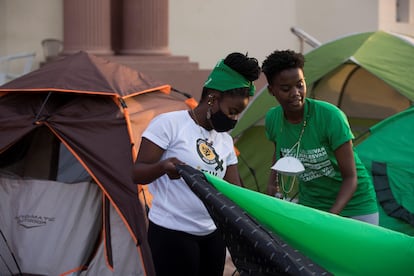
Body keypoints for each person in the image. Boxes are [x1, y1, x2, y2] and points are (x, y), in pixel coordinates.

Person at [132, 52, 261, 276]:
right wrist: (163, 167)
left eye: (238, 115)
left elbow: (234, 192)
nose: (234, 120)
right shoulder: (169, 125)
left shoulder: (225, 141)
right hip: (172, 233)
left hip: (213, 235)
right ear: (212, 98)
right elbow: (137, 173)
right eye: (232, 111)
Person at [262, 49, 379, 225]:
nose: (295, 93)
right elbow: (279, 151)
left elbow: (350, 177)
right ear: (272, 90)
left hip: (356, 207)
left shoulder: (330, 117)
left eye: (300, 85)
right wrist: (272, 183)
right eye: (286, 88)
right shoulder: (273, 119)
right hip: (312, 205)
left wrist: (330, 217)